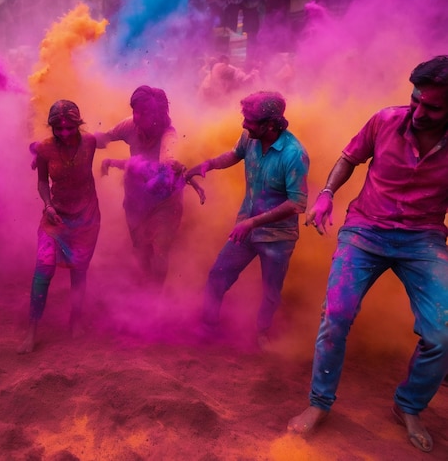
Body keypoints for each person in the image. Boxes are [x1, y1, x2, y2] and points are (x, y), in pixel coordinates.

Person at [287, 55, 448, 453]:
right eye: (416, 100)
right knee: (336, 317)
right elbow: (349, 158)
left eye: (433, 107)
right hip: (364, 230)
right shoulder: (384, 120)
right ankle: (319, 403)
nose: (419, 111)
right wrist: (326, 195)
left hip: (423, 239)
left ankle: (408, 406)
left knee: (443, 333)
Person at [185, 91, 309, 349]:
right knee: (218, 274)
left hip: (277, 237)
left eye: (250, 120)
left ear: (271, 124)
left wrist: (252, 223)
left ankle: (262, 334)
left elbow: (297, 203)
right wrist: (207, 165)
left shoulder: (294, 154)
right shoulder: (250, 138)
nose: (244, 124)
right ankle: (208, 328)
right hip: (246, 229)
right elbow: (234, 154)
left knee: (270, 292)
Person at [96, 85, 204, 291]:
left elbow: (167, 158)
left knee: (161, 248)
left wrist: (176, 167)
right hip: (136, 200)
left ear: (159, 114)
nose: (137, 117)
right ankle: (145, 285)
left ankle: (156, 295)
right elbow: (106, 138)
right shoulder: (129, 125)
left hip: (165, 202)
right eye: (135, 111)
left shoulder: (169, 134)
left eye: (143, 113)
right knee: (140, 247)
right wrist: (78, 137)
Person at [18, 100, 101, 354]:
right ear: (52, 127)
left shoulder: (90, 143)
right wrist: (48, 204)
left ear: (78, 124)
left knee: (79, 269)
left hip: (86, 217)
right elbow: (43, 182)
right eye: (58, 128)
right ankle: (32, 330)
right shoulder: (45, 149)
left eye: (69, 128)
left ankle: (75, 321)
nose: (64, 133)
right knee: (43, 268)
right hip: (55, 216)